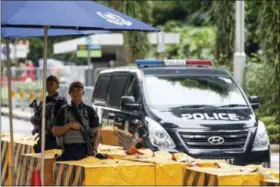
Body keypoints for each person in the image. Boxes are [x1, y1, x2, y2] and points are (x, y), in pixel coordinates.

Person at [52, 81, 100, 161]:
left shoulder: (90, 110)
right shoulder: (64, 110)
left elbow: (97, 131)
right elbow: (55, 132)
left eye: (78, 90)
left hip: (85, 150)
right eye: (73, 91)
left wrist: (94, 150)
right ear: (69, 93)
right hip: (68, 150)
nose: (76, 93)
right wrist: (69, 125)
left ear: (83, 92)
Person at [30, 75, 67, 152]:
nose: (48, 86)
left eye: (51, 84)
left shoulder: (60, 101)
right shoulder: (43, 101)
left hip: (54, 139)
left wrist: (48, 134)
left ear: (57, 86)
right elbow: (37, 118)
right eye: (46, 84)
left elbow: (60, 121)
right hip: (42, 136)